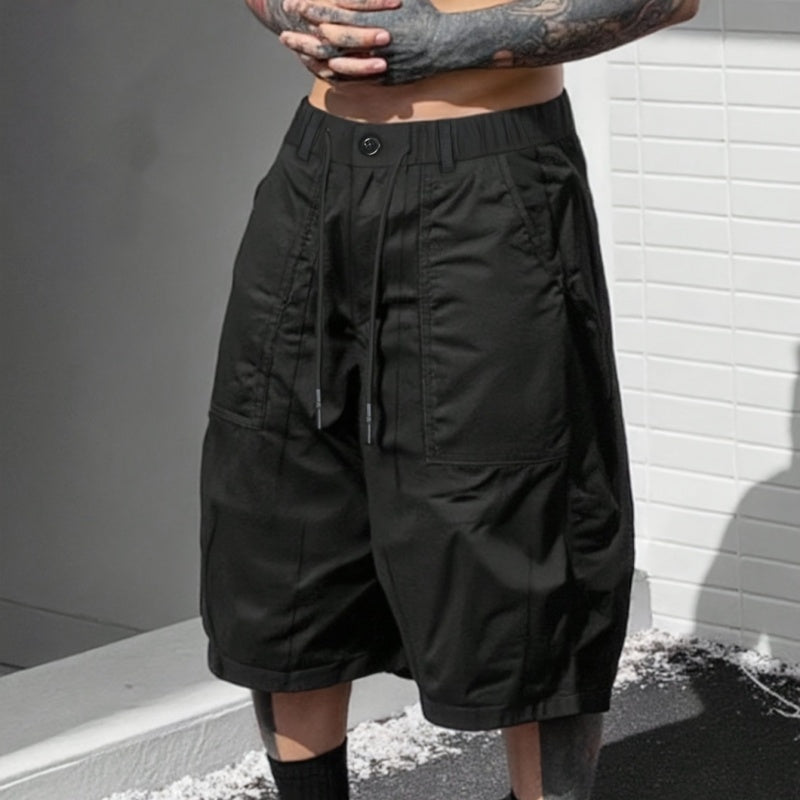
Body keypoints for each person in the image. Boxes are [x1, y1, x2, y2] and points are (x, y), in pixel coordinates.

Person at [199, 1, 699, 798]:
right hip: (317, 172)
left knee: (523, 528)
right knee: (280, 506)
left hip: (486, 181)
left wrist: (452, 42)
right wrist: (292, 10)